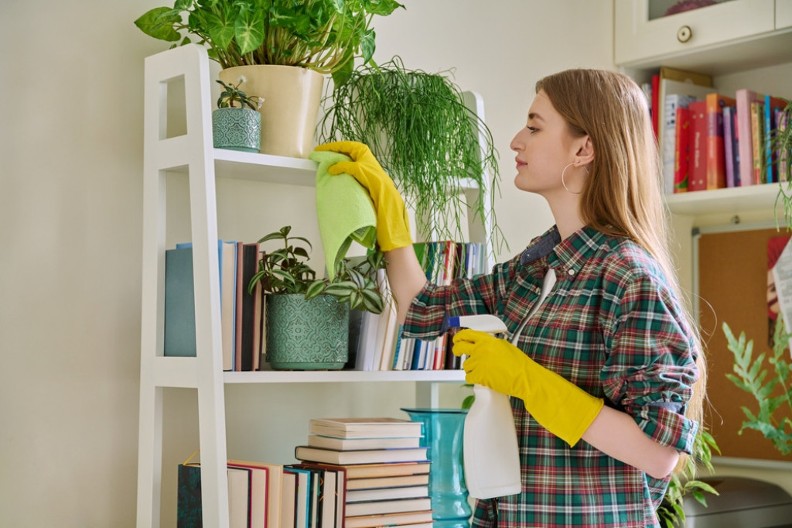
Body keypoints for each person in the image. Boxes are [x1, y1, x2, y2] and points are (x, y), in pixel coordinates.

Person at [316, 68, 706, 528]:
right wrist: (391, 216)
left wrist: (528, 380)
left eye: (535, 126)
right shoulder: (536, 268)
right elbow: (421, 310)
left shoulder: (628, 277)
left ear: (584, 149)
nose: (516, 141)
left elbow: (658, 453)